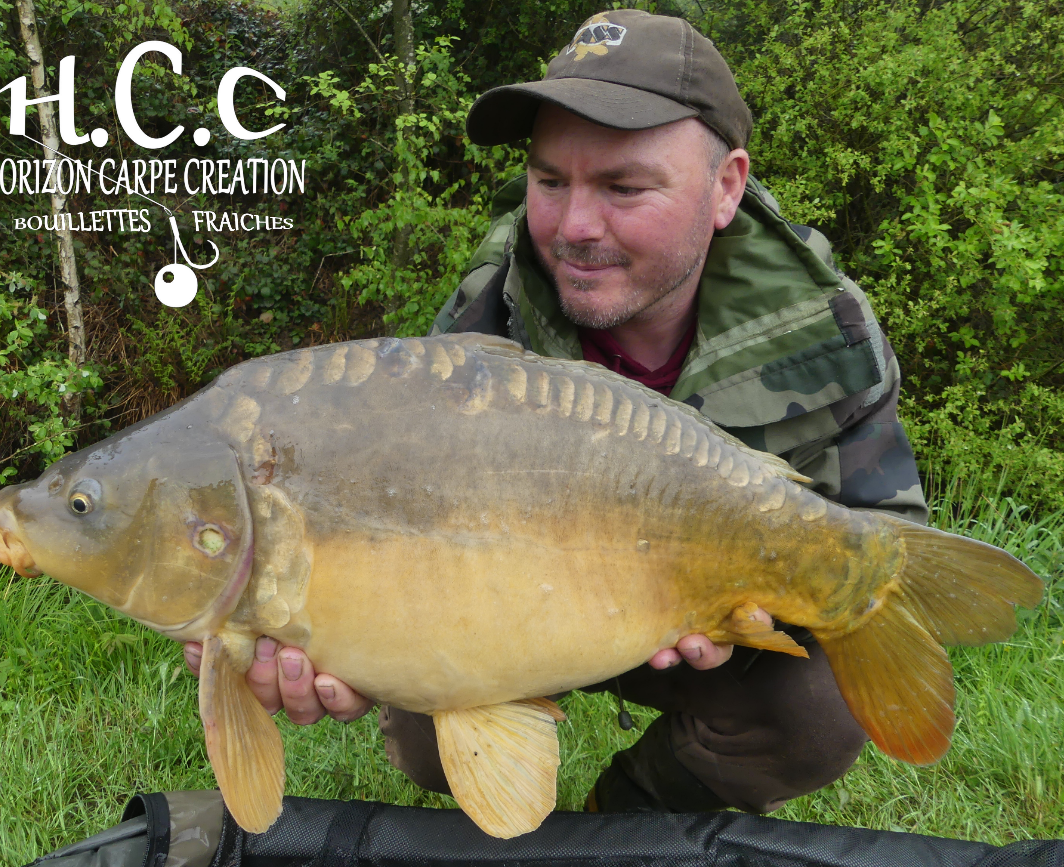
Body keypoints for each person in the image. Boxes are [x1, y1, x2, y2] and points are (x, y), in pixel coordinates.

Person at [184, 9, 929, 815]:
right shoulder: (483, 319)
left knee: (817, 707)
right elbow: (404, 522)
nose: (574, 227)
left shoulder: (822, 330)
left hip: (706, 615)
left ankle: (630, 819)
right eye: (548, 181)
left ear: (725, 187)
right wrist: (351, 643)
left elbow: (877, 521)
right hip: (519, 602)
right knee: (424, 729)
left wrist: (750, 600)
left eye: (622, 186)